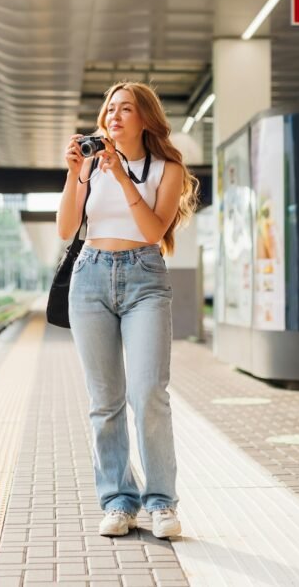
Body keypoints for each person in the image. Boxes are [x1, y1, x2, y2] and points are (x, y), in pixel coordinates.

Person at [56, 81, 199, 539]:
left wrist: (121, 177)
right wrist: (76, 174)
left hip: (144, 279)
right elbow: (66, 228)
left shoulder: (166, 167)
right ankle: (118, 501)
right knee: (105, 402)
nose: (114, 117)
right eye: (110, 109)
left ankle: (161, 503)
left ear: (145, 119)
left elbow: (154, 228)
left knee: (148, 394)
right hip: (90, 277)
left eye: (126, 109)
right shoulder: (91, 166)